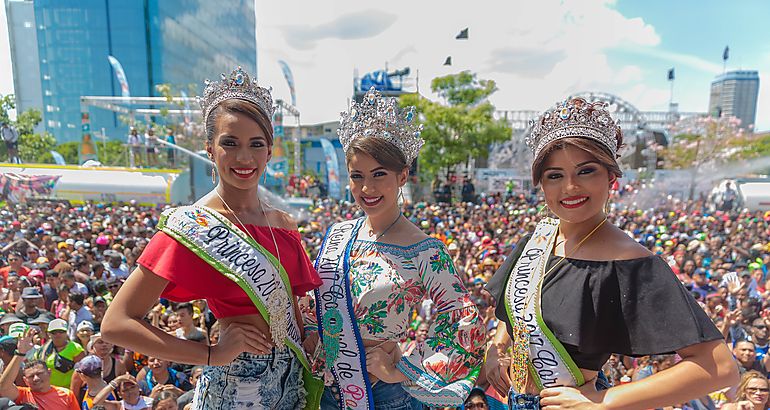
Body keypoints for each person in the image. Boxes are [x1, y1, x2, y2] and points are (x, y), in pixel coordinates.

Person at [484, 97, 738, 409]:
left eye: (586, 171)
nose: (570, 187)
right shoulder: (537, 240)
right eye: (554, 175)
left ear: (611, 177)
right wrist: (497, 347)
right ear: (541, 184)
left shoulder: (630, 262)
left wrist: (604, 402)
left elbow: (718, 368)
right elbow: (520, 306)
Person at [102, 66, 323, 409]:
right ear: (209, 148)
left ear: (270, 150)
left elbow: (288, 309)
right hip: (236, 387)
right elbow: (116, 324)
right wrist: (208, 353)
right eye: (229, 144)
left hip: (292, 382)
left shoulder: (283, 224)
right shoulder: (192, 226)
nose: (244, 157)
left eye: (256, 144)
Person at [309, 87, 485, 409]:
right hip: (326, 387)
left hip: (384, 394)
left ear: (402, 175)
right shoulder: (338, 234)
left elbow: (464, 320)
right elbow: (314, 305)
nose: (367, 188)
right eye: (357, 176)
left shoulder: (425, 250)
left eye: (379, 174)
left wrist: (401, 369)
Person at [0, 332, 79, 409]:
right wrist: (20, 353)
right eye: (31, 376)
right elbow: (3, 387)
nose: (36, 378)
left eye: (39, 374)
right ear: (25, 380)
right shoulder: (23, 395)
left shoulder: (66, 395)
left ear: (49, 372)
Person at [33, 318, 86, 388]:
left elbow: (83, 372)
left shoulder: (76, 349)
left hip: (69, 390)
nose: (58, 334)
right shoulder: (42, 351)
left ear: (66, 332)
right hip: (47, 390)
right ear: (49, 334)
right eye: (54, 332)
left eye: (61, 331)